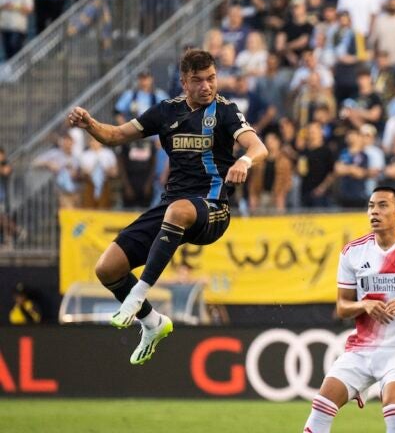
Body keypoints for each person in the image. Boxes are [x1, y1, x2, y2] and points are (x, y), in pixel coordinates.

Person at [66, 49, 267, 365]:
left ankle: (137, 296)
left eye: (211, 78)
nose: (207, 86)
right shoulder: (165, 112)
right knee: (107, 269)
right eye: (198, 80)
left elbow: (259, 147)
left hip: (213, 208)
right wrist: (90, 124)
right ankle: (152, 323)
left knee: (178, 211)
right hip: (172, 205)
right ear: (184, 82)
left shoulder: (226, 111)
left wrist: (244, 160)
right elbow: (116, 135)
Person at [302, 186, 395, 433]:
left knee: (393, 407)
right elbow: (342, 307)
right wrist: (364, 304)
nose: (374, 212)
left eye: (383, 206)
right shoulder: (353, 252)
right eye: (371, 206)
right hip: (362, 350)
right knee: (321, 404)